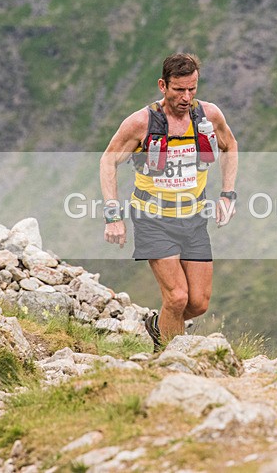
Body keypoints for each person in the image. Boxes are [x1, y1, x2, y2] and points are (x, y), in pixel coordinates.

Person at [100, 52, 238, 352]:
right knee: (176, 297)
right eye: (179, 90)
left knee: (198, 303)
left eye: (192, 89)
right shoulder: (141, 122)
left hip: (193, 217)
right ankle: (170, 361)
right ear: (163, 85)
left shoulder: (209, 116)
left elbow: (230, 146)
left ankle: (156, 324)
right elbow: (108, 161)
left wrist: (228, 194)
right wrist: (113, 214)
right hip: (152, 219)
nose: (186, 97)